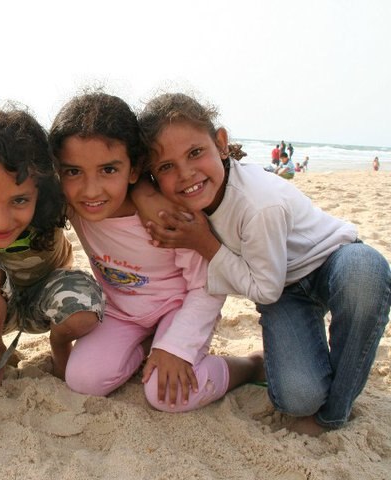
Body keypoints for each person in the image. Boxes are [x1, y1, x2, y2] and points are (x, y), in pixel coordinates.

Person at [136, 92, 391, 434]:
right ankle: (308, 360)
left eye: (195, 153)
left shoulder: (258, 205)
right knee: (297, 399)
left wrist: (206, 244)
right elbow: (129, 181)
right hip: (286, 290)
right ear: (153, 176)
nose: (185, 174)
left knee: (365, 277)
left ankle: (334, 412)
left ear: (221, 143)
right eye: (166, 167)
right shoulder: (184, 201)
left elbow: (263, 290)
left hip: (333, 262)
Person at [49, 92, 263, 412]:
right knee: (83, 380)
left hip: (179, 307)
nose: (90, 189)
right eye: (73, 171)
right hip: (121, 311)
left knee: (167, 396)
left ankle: (249, 366)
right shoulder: (74, 205)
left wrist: (176, 346)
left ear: (134, 169)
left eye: (108, 170)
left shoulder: (169, 216)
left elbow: (206, 285)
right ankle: (147, 345)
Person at [0, 108, 103, 400]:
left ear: (39, 190)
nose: (1, 221)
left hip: (46, 299)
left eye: (20, 200)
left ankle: (60, 347)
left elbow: (110, 192)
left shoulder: (57, 203)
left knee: (84, 311)